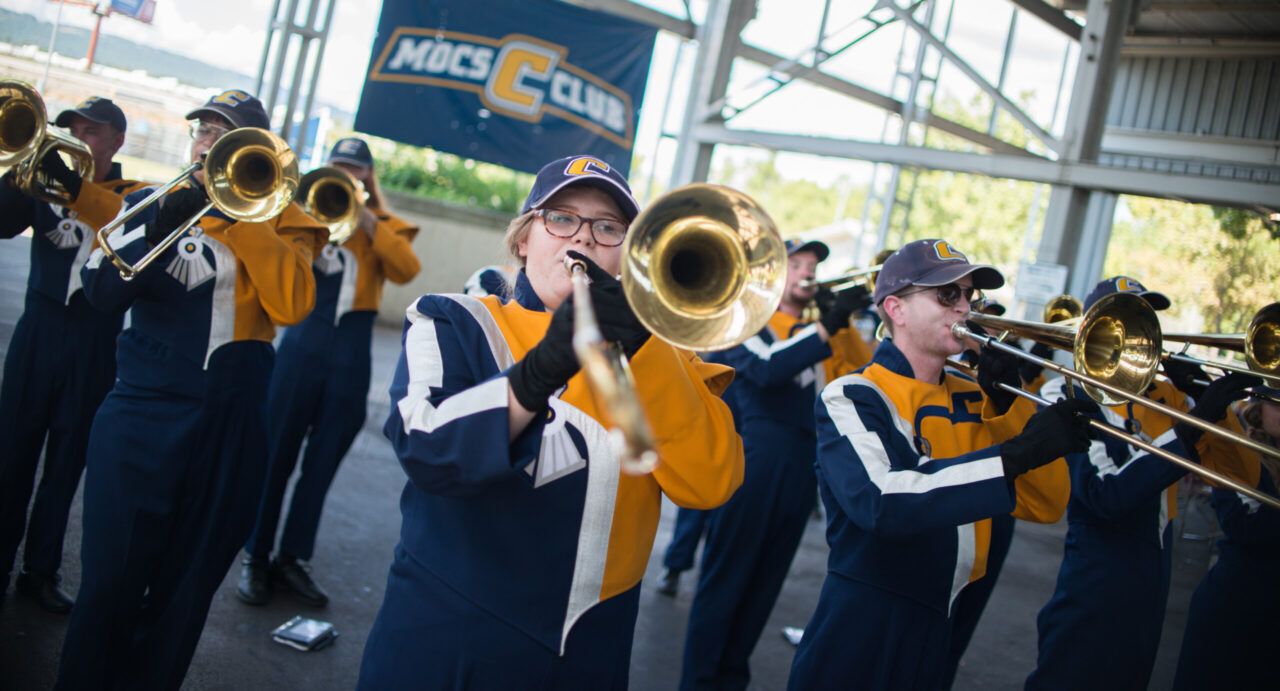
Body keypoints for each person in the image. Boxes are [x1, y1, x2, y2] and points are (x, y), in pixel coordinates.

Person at [356, 155, 744, 689]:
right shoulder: (455, 319)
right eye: (561, 218)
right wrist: (539, 371)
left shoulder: (668, 357)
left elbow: (711, 484)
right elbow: (425, 448)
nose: (583, 238)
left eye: (608, 227)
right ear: (523, 240)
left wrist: (646, 347)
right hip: (447, 638)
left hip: (592, 653)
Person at [55, 89, 327, 690]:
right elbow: (102, 292)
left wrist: (239, 213)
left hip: (232, 424)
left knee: (184, 595)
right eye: (204, 130)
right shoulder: (148, 202)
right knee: (108, 583)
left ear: (258, 153)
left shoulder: (288, 219)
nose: (209, 142)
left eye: (226, 135)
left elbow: (292, 304)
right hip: (142, 414)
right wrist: (172, 208)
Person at [788, 238, 1093, 690]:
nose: (965, 307)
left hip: (943, 617)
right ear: (896, 308)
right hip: (863, 618)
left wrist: (1010, 405)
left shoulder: (975, 395)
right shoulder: (852, 394)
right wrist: (1019, 452)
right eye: (948, 294)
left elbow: (1045, 504)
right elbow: (882, 500)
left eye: (970, 295)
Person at [1025, 276, 1260, 691]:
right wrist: (1190, 428)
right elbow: (1105, 497)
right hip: (1096, 574)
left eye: (1144, 320)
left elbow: (1242, 476)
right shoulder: (1068, 388)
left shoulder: (1168, 396)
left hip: (1153, 574)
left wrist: (1211, 404)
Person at [678, 237, 874, 690]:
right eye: (797, 264)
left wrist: (842, 323)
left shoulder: (820, 331)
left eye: (812, 266)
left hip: (804, 466)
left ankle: (731, 681)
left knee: (764, 587)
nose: (808, 272)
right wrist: (826, 325)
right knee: (725, 581)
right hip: (756, 460)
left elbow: (863, 376)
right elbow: (768, 368)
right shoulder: (746, 323)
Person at [238, 136, 421, 608]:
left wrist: (366, 220)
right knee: (275, 451)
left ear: (368, 175)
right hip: (302, 340)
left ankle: (293, 558)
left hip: (352, 346)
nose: (347, 173)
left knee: (324, 459)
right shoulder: (302, 212)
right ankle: (255, 555)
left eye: (356, 168)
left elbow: (406, 269)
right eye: (339, 164)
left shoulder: (384, 224)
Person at [0, 95, 150, 613]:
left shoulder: (135, 195)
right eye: (74, 129)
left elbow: (124, 225)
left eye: (91, 132)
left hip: (95, 339)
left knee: (66, 464)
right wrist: (19, 167)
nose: (79, 139)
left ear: (116, 141)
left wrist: (73, 186)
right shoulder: (42, 180)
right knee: (10, 454)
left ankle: (39, 571)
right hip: (38, 330)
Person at [1173, 386, 1279, 690]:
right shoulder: (1239, 448)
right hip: (1236, 607)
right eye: (1277, 403)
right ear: (1259, 407)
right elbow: (1244, 525)